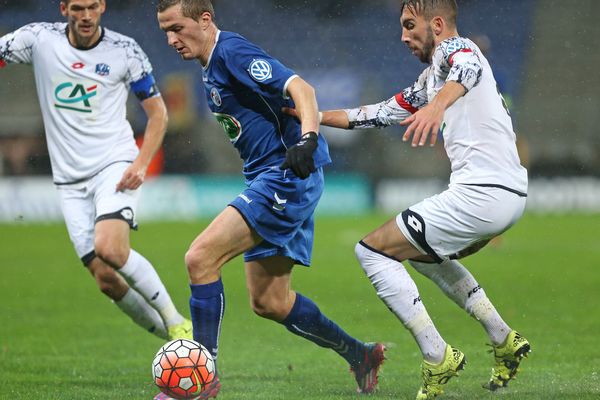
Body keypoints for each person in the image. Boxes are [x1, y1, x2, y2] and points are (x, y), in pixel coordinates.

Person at [289, 0, 531, 399]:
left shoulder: (457, 50)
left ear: (436, 24)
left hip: (483, 195)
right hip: (504, 194)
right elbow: (374, 114)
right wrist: (307, 116)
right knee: (418, 254)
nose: (402, 36)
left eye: (409, 25)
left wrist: (437, 107)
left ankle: (438, 356)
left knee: (372, 252)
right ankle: (503, 338)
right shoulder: (431, 78)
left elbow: (469, 66)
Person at [155, 1, 385, 398]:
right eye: (165, 32)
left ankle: (201, 378)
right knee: (270, 301)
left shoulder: (231, 52)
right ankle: (360, 355)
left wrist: (309, 138)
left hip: (285, 175)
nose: (172, 39)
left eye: (178, 28)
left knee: (200, 258)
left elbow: (303, 89)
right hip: (274, 178)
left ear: (205, 20)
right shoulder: (211, 65)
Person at [0, 0, 193, 341]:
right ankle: (180, 347)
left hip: (113, 164)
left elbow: (158, 113)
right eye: (77, 8)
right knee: (105, 278)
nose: (85, 16)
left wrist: (140, 162)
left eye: (92, 7)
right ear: (64, 9)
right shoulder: (39, 40)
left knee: (111, 249)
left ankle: (177, 321)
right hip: (69, 181)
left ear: (102, 6)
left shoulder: (124, 51)